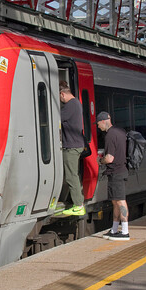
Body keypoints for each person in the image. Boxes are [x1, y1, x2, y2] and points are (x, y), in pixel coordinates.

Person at [96, 111, 130, 240]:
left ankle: (125, 231)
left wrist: (100, 161)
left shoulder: (110, 135)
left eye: (98, 124)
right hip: (119, 170)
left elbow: (109, 158)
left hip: (116, 171)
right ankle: (114, 230)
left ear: (104, 121)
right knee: (115, 201)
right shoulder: (120, 131)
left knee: (120, 201)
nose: (98, 127)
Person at [58, 81, 86, 216]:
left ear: (62, 94)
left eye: (59, 97)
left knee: (71, 176)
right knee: (74, 175)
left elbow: (56, 119)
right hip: (75, 145)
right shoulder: (76, 103)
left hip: (72, 146)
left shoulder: (71, 105)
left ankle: (78, 205)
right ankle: (77, 202)